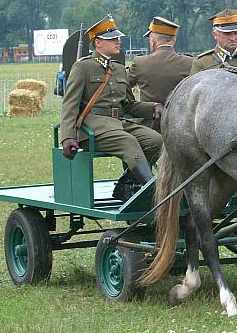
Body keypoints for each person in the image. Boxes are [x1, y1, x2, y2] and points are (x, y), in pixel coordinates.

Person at [59, 15, 164, 201]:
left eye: (117, 38)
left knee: (156, 141)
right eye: (112, 39)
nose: (118, 41)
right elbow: (70, 104)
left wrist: (153, 107)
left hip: (118, 123)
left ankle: (128, 184)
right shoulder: (82, 67)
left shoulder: (118, 68)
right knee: (128, 142)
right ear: (98, 43)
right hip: (92, 128)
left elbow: (129, 105)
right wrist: (67, 137)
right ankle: (152, 190)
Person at [127, 16, 192, 132]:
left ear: (152, 41)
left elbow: (122, 86)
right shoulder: (190, 62)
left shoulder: (140, 62)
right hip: (180, 128)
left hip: (149, 127)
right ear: (174, 40)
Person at [190, 8, 237, 76]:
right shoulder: (202, 63)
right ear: (215, 35)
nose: (233, 38)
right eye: (227, 34)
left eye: (236, 33)